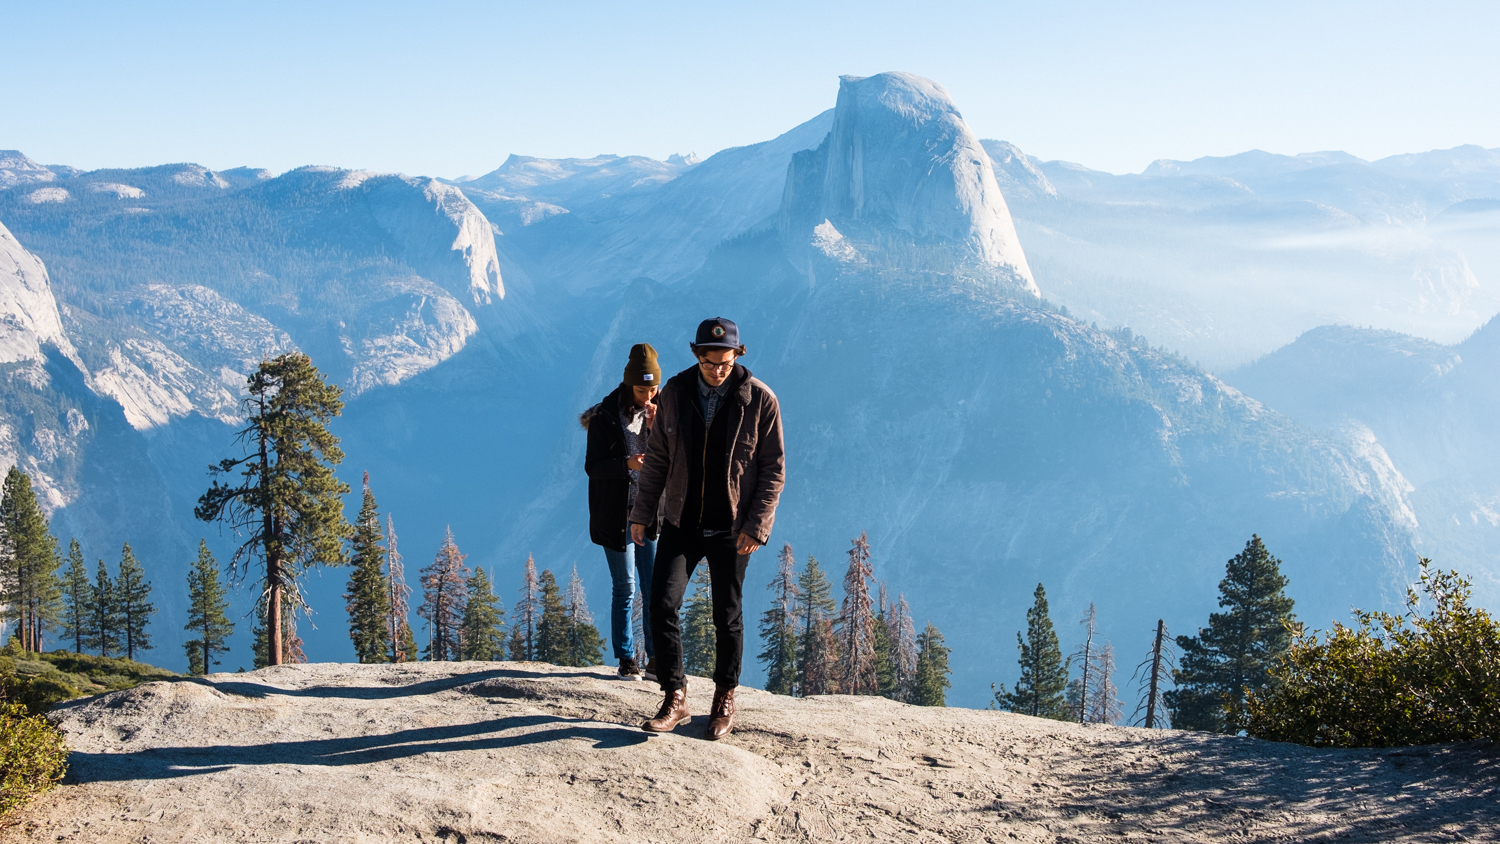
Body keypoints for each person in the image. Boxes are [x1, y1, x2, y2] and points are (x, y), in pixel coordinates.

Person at [630, 317, 786, 739]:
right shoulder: (677, 394)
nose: (717, 369)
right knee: (662, 603)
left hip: (733, 529)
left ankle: (724, 699)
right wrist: (642, 513)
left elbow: (773, 470)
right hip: (682, 522)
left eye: (725, 361)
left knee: (727, 614)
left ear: (737, 355)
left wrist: (757, 526)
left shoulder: (760, 401)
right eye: (709, 361)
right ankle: (675, 695)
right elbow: (657, 459)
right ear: (697, 356)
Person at [582, 343, 662, 680]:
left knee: (654, 587)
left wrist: (659, 429)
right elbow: (593, 467)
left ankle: (656, 659)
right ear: (629, 384)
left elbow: (672, 461)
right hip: (615, 515)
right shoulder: (605, 417)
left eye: (653, 388)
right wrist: (625, 464)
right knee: (625, 587)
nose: (648, 395)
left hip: (649, 512)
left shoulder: (660, 413)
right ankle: (627, 659)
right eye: (642, 389)